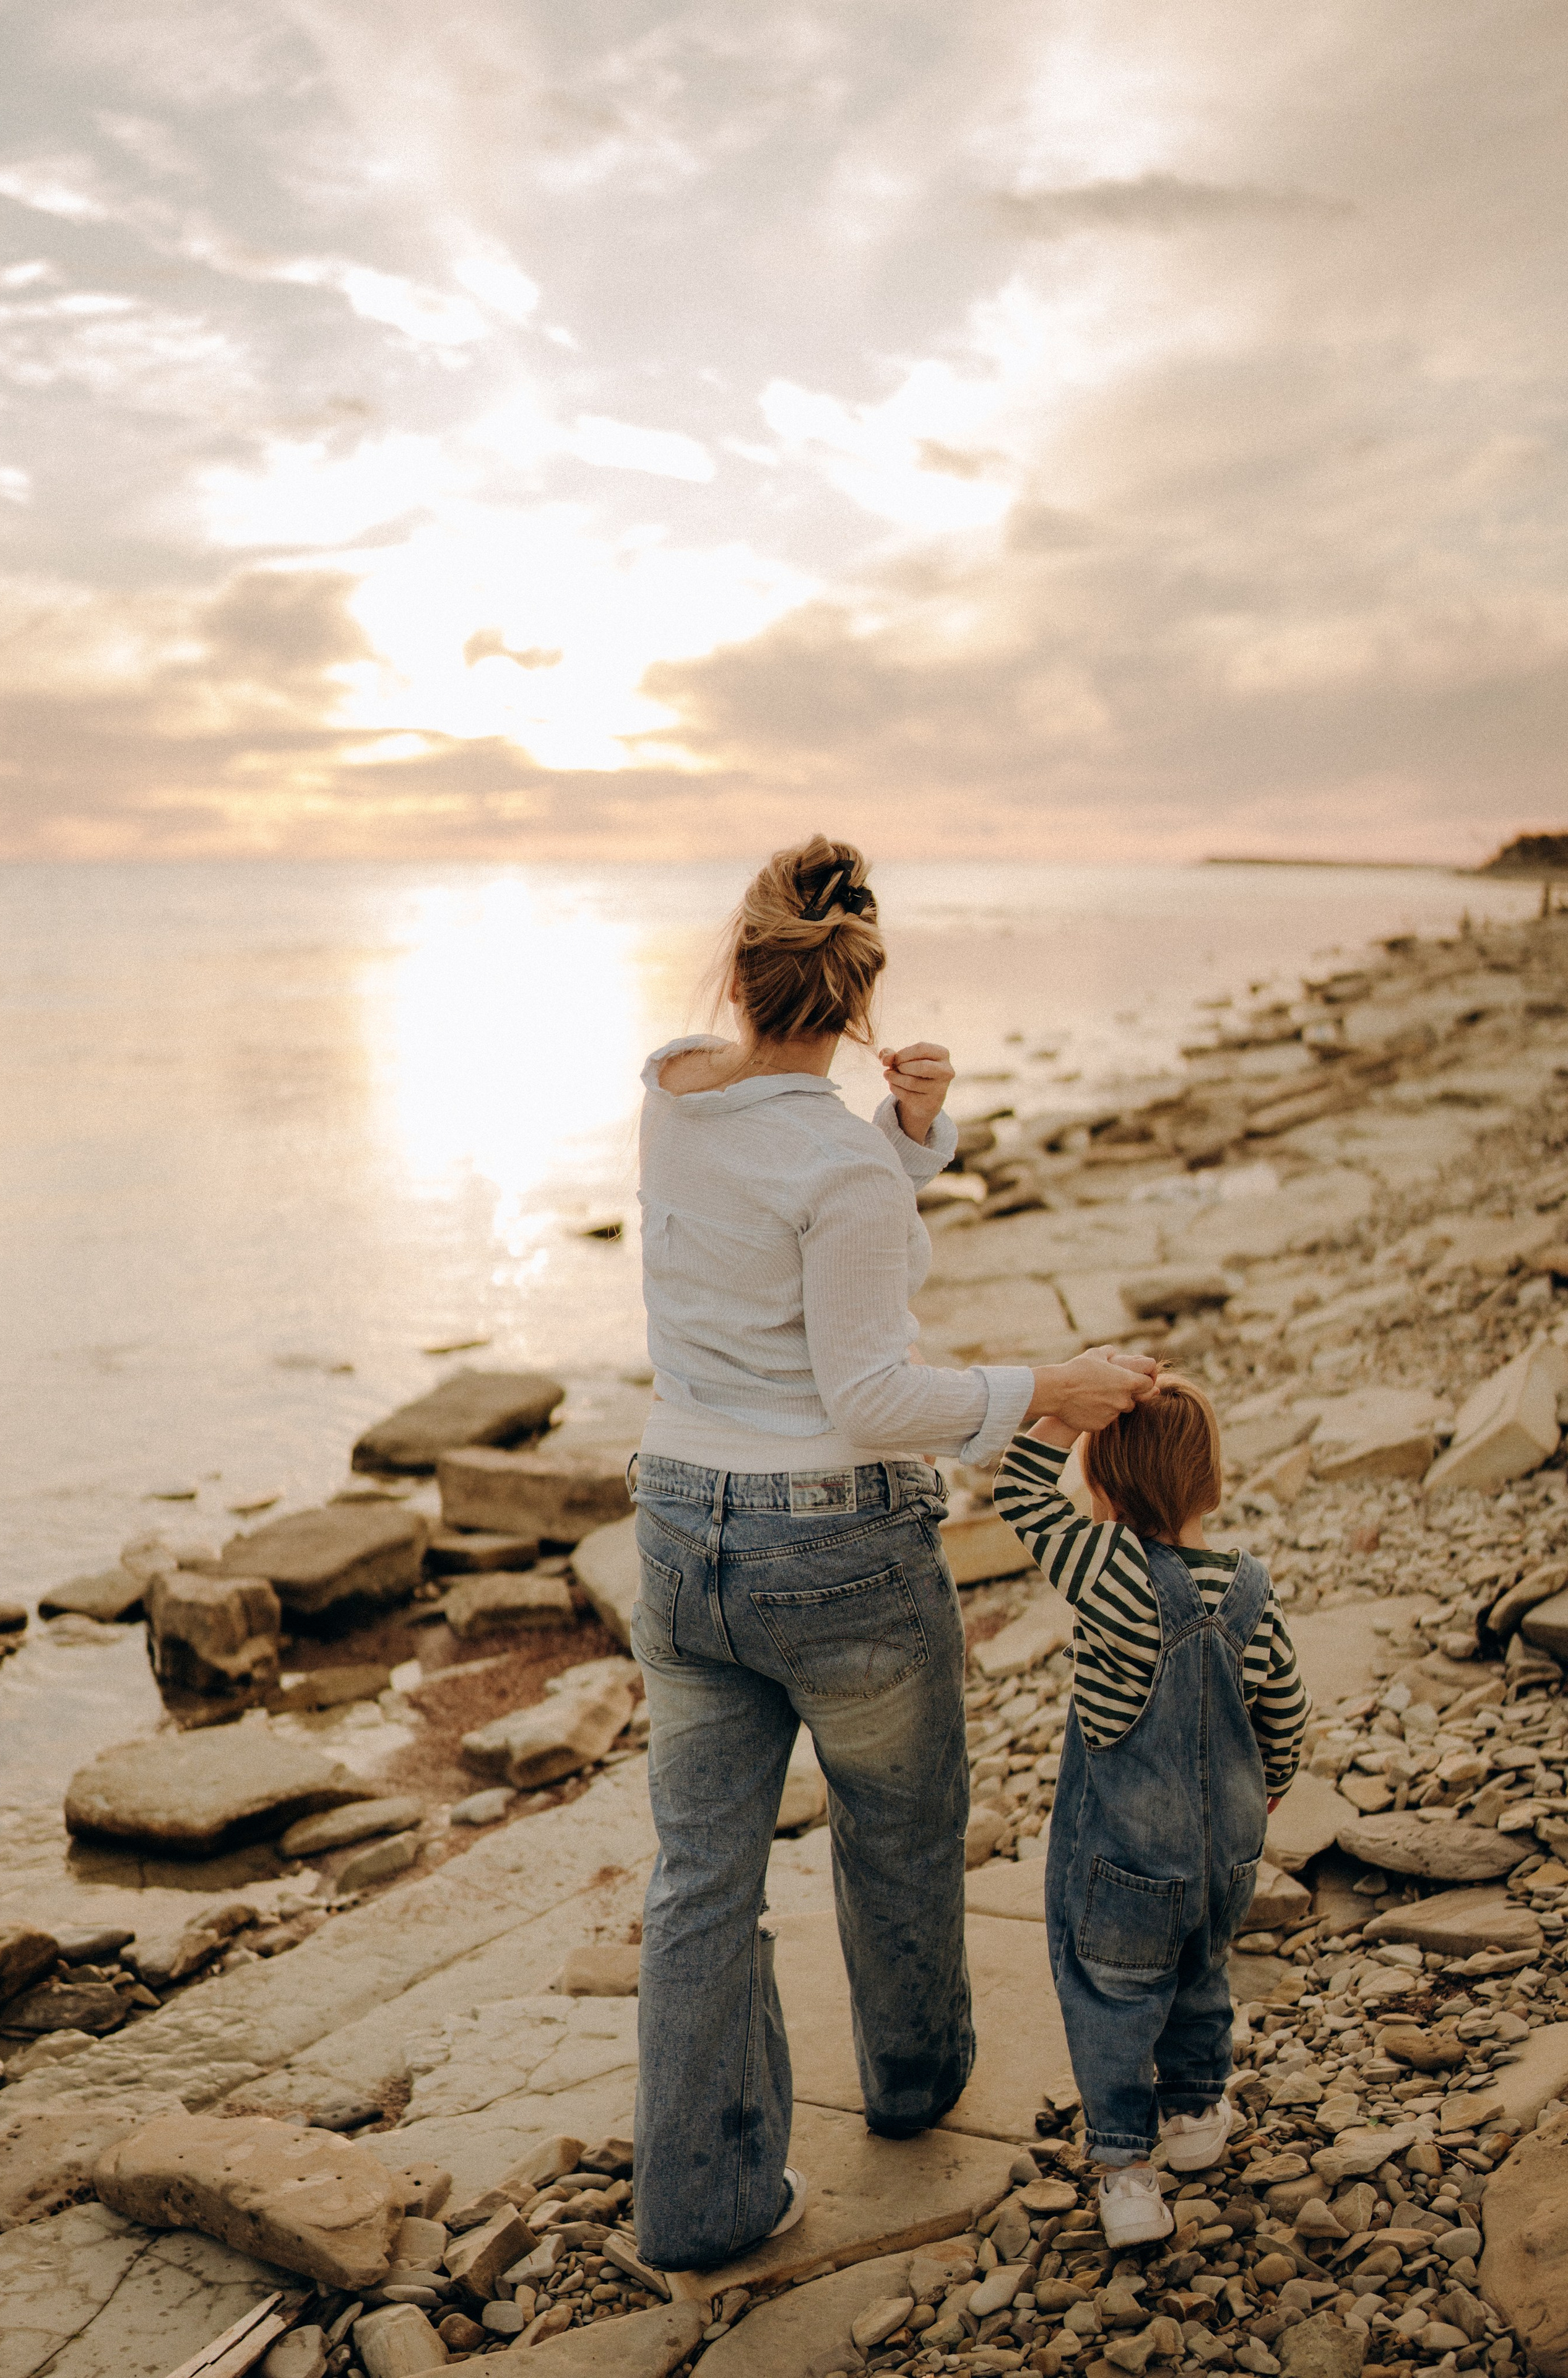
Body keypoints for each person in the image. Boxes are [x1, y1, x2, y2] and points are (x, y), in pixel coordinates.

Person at [628, 831, 1158, 2271]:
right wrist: (1041, 1390)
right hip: (834, 1552)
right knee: (899, 1830)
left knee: (697, 1880)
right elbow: (869, 1396)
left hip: (678, 1531)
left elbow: (789, 1210)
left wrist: (903, 1136)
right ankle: (912, 2086)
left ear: (738, 971)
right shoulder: (835, 1166)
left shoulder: (670, 1090)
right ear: (860, 1002)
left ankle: (696, 2205)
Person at [992, 1371, 1310, 2249]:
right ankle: (1198, 2115)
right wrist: (1273, 1779)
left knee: (1112, 1997)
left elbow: (1016, 1489)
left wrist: (1063, 1412)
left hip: (1124, 1860)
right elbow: (1285, 1704)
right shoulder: (1249, 1587)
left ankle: (1129, 2172)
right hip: (1228, 1858)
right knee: (1202, 1973)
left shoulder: (1109, 1571)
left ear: (1101, 1488)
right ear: (1212, 1480)